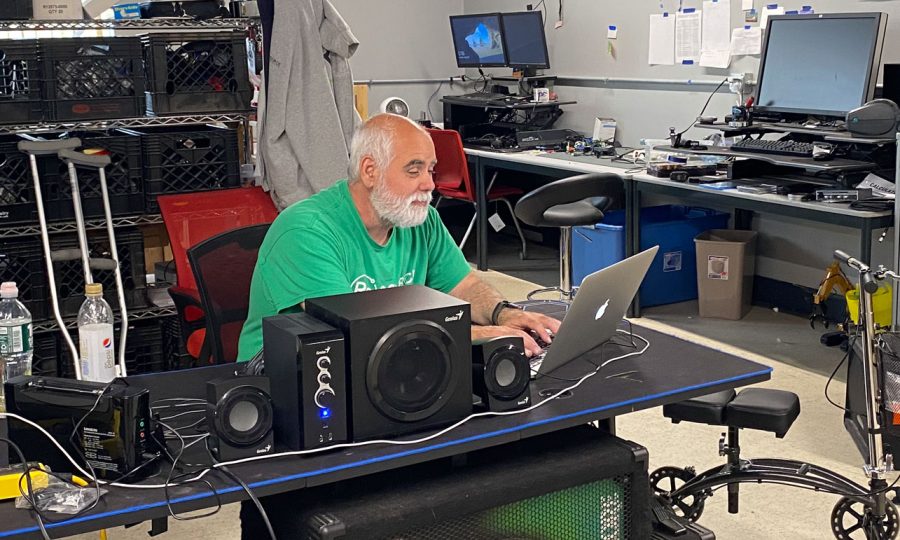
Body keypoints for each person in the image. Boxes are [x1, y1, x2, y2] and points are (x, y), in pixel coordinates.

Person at [237, 113, 560, 363]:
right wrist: (483, 334)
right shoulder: (306, 231)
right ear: (370, 171)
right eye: (413, 170)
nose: (429, 184)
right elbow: (355, 329)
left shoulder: (423, 220)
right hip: (288, 378)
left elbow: (463, 285)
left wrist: (505, 315)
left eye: (431, 170)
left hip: (394, 361)